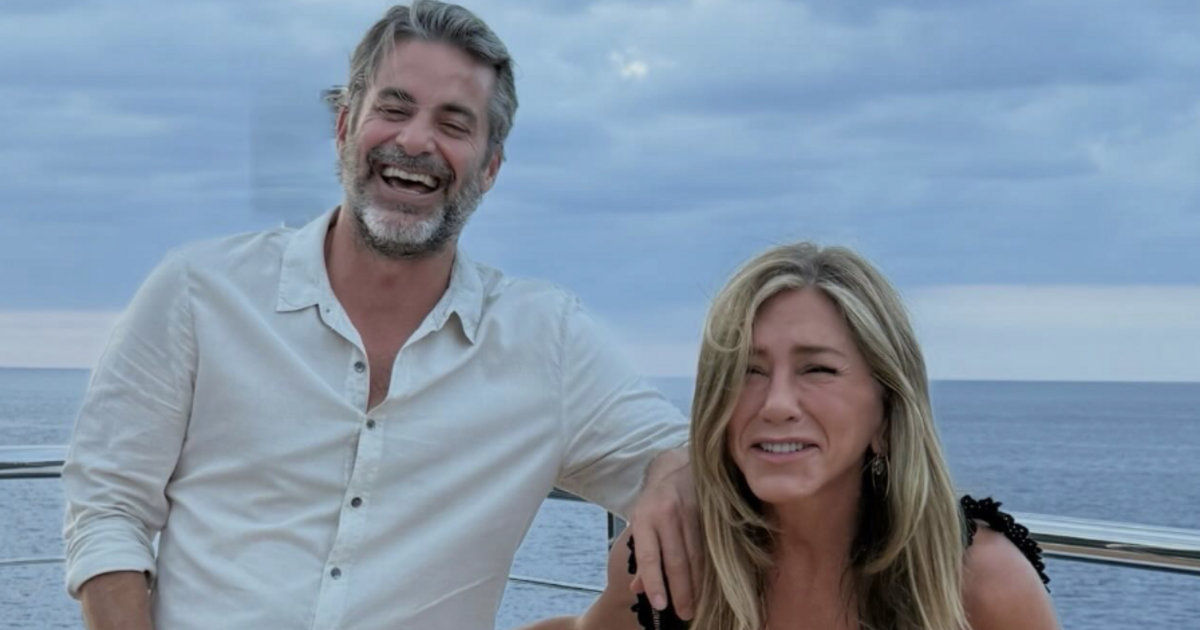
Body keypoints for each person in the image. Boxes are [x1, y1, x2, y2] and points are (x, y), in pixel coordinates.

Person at [61, 2, 700, 628]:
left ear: (489, 168)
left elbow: (702, 466)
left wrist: (674, 469)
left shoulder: (545, 340)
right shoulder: (198, 293)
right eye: (393, 109)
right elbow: (108, 508)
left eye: (454, 124)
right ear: (344, 127)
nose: (415, 140)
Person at [527, 242, 1058, 630]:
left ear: (887, 411)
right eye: (748, 371)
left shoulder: (977, 580)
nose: (777, 403)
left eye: (817, 370)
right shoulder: (678, 555)